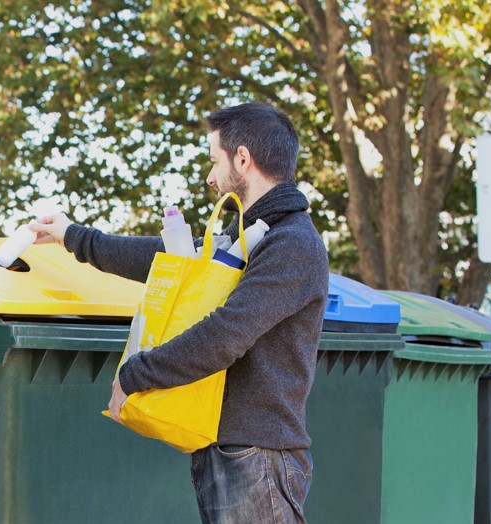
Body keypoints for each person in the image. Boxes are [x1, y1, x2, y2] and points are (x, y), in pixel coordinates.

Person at [30, 102, 328, 523]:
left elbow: (226, 334)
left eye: (214, 161)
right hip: (227, 447)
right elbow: (166, 261)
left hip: (258, 454)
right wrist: (73, 237)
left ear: (243, 158)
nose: (210, 177)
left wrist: (136, 374)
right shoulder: (245, 236)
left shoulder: (291, 242)